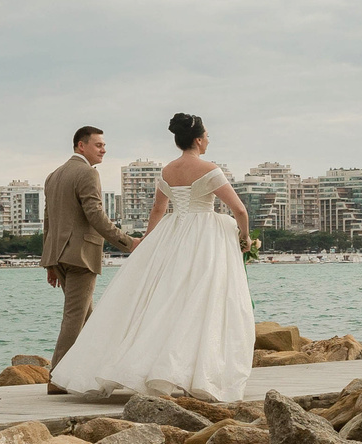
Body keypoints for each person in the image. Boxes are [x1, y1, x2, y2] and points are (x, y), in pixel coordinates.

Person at [48, 111, 257, 401]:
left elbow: (158, 209)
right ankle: (191, 371)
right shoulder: (210, 169)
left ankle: (128, 364)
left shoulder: (167, 171)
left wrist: (148, 242)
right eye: (207, 136)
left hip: (172, 234)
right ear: (198, 140)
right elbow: (239, 209)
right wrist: (245, 237)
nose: (208, 140)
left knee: (163, 300)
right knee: (202, 301)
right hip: (204, 239)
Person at [42, 125, 136, 378]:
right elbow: (95, 214)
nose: (104, 150)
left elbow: (48, 221)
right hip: (80, 255)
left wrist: (50, 262)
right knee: (75, 316)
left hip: (59, 256)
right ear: (81, 146)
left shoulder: (54, 175)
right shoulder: (87, 173)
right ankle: (58, 376)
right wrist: (128, 242)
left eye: (104, 145)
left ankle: (97, 369)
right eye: (98, 145)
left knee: (87, 317)